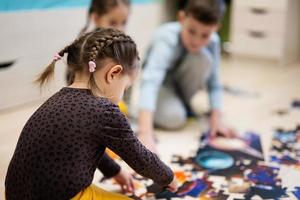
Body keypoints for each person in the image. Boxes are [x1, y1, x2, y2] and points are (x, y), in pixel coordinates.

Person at [5, 28, 178, 200]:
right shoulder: (106, 111)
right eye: (125, 88)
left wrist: (115, 171)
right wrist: (168, 177)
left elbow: (84, 146)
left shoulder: (57, 99)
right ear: (114, 73)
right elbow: (140, 158)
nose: (122, 95)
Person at [137, 0, 236, 153]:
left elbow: (214, 83)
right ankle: (152, 110)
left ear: (216, 28)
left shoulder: (214, 42)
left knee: (203, 58)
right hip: (162, 86)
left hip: (182, 88)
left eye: (205, 35)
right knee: (175, 118)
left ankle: (181, 104)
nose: (196, 41)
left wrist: (217, 119)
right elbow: (151, 81)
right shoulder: (166, 36)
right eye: (191, 31)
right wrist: (145, 132)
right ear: (182, 18)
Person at [67, 0, 131, 85]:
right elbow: (70, 78)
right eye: (113, 23)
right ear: (96, 18)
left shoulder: (124, 47)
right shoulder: (85, 47)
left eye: (124, 22)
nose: (119, 29)